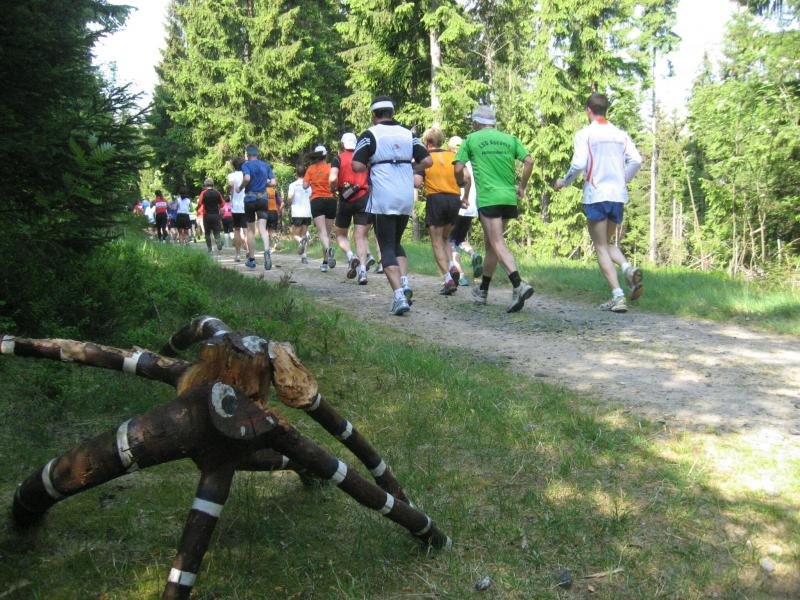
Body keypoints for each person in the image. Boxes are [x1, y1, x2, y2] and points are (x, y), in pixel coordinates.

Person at [555, 92, 643, 312]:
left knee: (600, 247)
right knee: (607, 243)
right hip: (617, 196)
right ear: (606, 110)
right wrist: (623, 180)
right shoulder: (620, 134)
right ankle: (627, 268)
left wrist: (564, 182)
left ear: (588, 110)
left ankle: (618, 296)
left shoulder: (585, 134)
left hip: (596, 195)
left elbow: (578, 164)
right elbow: (636, 160)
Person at [352, 96, 432, 315]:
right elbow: (427, 161)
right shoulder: (408, 134)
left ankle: (398, 296)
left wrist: (374, 163)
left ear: (374, 115)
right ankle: (404, 282)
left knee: (386, 246)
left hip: (383, 197)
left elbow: (357, 165)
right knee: (396, 243)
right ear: (392, 113)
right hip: (405, 195)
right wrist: (407, 166)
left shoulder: (370, 134)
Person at [454, 105, 535, 313]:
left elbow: (458, 167)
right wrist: (522, 187)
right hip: (508, 198)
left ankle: (518, 284)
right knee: (492, 245)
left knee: (497, 242)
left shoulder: (471, 139)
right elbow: (529, 161)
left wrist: (460, 183)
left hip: (489, 198)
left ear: (476, 123)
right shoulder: (509, 139)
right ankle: (483, 291)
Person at [421, 127, 462, 295]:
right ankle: (452, 266)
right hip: (454, 199)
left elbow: (417, 181)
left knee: (436, 241)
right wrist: (464, 196)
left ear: (426, 142)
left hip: (436, 199)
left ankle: (447, 279)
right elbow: (465, 176)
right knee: (445, 237)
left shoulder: (425, 158)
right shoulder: (453, 156)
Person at [331, 132, 376, 285]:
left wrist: (333, 189)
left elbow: (333, 177)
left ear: (342, 144)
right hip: (363, 198)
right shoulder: (364, 158)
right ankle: (363, 272)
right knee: (360, 237)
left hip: (345, 198)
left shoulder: (338, 158)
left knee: (340, 234)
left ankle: (351, 256)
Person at [447, 136, 482, 286]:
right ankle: (473, 255)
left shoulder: (455, 163)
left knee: (450, 241)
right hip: (471, 208)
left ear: (451, 149)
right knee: (460, 238)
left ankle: (460, 275)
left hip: (458, 205)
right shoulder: (472, 163)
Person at [237, 144, 277, 270]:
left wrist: (240, 187)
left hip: (250, 199)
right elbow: (273, 182)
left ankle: (252, 259)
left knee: (250, 230)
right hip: (263, 199)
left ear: (247, 154)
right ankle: (267, 252)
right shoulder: (265, 165)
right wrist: (264, 183)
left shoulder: (246, 165)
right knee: (263, 228)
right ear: (257, 153)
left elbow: (247, 178)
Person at [304, 145, 337, 272]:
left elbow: (305, 186)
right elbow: (335, 182)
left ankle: (327, 252)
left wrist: (313, 181)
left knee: (322, 232)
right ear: (325, 155)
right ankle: (325, 262)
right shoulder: (331, 167)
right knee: (327, 233)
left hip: (317, 200)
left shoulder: (311, 168)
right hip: (331, 200)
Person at [287, 165, 312, 264]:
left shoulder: (293, 185)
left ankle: (301, 242)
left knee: (295, 235)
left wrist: (289, 202)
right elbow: (311, 197)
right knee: (304, 234)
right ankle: (304, 257)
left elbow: (290, 198)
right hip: (307, 212)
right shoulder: (309, 185)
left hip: (297, 212)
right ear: (305, 174)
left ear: (296, 173)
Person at [227, 157, 248, 262]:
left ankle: (238, 254)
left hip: (235, 206)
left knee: (237, 230)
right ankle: (249, 251)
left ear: (233, 165)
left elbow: (230, 185)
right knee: (246, 230)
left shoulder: (231, 175)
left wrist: (230, 188)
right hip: (246, 205)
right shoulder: (246, 175)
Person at [198, 178, 224, 254]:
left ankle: (209, 249)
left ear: (205, 185)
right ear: (213, 184)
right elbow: (222, 204)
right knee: (216, 231)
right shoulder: (217, 193)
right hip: (215, 215)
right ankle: (218, 239)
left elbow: (199, 203)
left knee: (207, 233)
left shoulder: (203, 193)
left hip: (207, 215)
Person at [266, 186, 283, 252]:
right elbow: (282, 203)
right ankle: (275, 241)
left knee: (266, 231)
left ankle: (268, 247)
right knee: (272, 230)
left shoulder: (262, 190)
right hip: (274, 212)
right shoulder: (274, 191)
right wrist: (278, 211)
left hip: (265, 212)